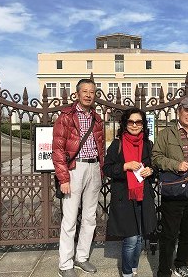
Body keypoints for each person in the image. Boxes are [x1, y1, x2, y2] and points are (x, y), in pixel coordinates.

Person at [52, 78, 105, 277]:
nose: (89, 95)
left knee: (90, 217)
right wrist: (63, 178)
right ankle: (65, 264)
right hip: (75, 169)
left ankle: (82, 257)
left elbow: (101, 146)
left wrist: (101, 169)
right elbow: (57, 149)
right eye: (85, 91)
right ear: (77, 94)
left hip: (93, 168)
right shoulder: (66, 116)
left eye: (92, 91)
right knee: (70, 218)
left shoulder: (97, 118)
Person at [152, 97, 188, 277]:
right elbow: (156, 158)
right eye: (187, 110)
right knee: (169, 235)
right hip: (174, 190)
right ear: (179, 111)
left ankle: (181, 264)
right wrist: (175, 164)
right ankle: (164, 270)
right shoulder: (166, 134)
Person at [103, 107, 157, 277]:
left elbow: (155, 166)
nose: (134, 125)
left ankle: (133, 268)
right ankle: (127, 272)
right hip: (125, 197)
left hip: (143, 196)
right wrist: (124, 166)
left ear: (143, 125)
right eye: (131, 122)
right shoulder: (117, 144)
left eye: (138, 122)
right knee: (131, 238)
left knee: (140, 237)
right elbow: (107, 168)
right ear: (125, 124)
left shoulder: (148, 144)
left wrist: (151, 170)